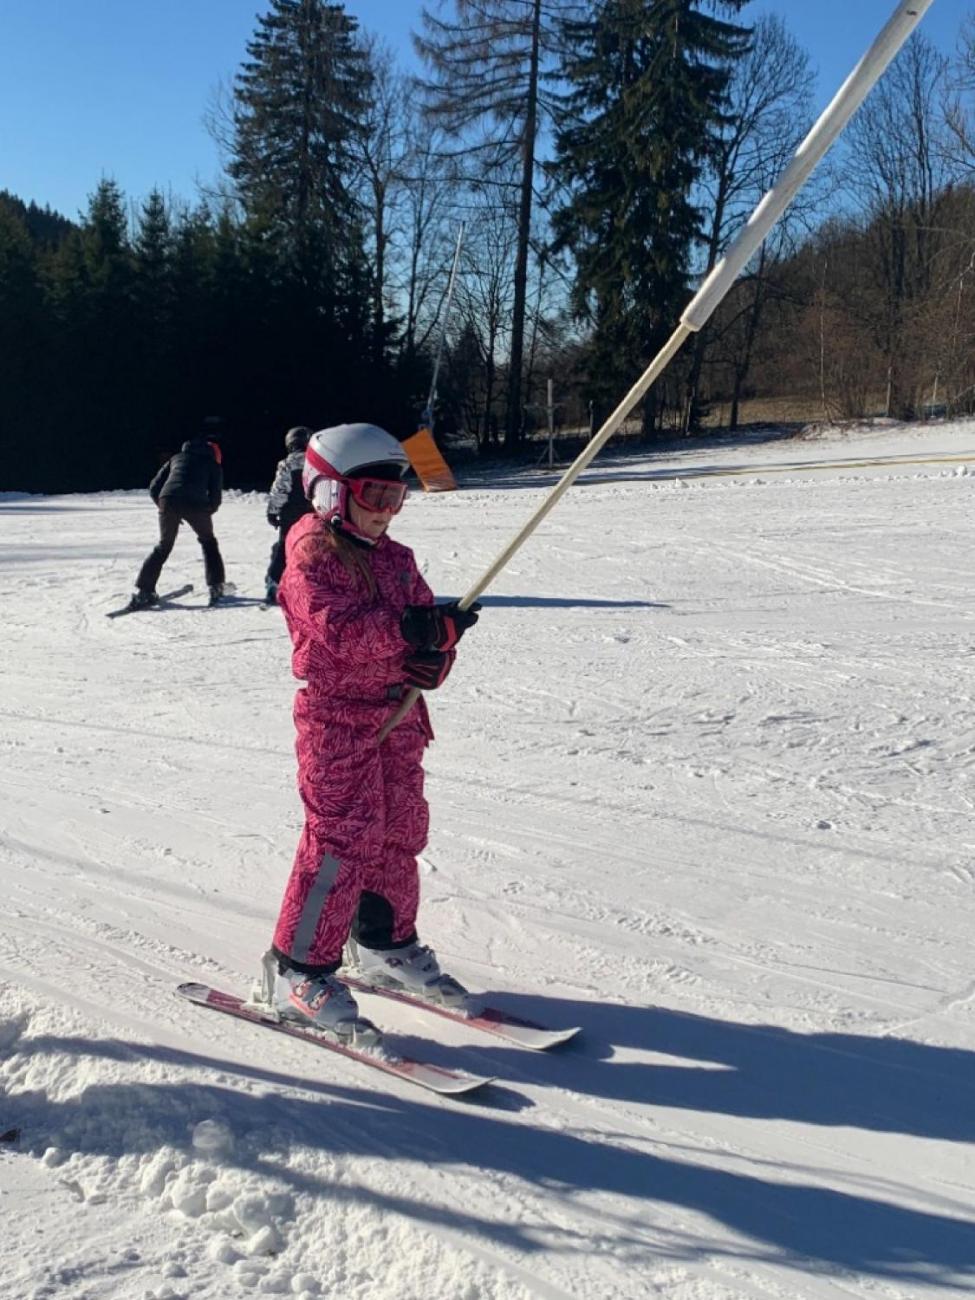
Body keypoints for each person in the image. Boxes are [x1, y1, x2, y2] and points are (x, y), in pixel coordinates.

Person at [256, 422, 479, 1043]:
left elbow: (425, 632)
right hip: (338, 720)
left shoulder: (398, 559)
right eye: (373, 496)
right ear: (329, 493)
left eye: (395, 497)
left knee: (400, 829)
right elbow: (341, 633)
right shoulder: (311, 553)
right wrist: (411, 631)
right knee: (340, 839)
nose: (386, 511)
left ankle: (384, 942)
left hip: (399, 714)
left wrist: (436, 655)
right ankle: (296, 968)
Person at [129, 432, 226, 608]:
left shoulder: (176, 458)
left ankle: (144, 591)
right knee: (209, 542)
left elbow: (154, 487)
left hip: (168, 501)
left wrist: (164, 507)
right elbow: (216, 497)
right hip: (196, 504)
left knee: (163, 546)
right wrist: (206, 512)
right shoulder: (212, 464)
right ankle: (216, 586)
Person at [264, 425, 313, 605]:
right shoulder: (316, 463)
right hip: (312, 512)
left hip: (291, 512)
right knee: (312, 548)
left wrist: (272, 512)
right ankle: (312, 586)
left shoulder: (287, 464)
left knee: (285, 547)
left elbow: (280, 490)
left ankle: (274, 585)